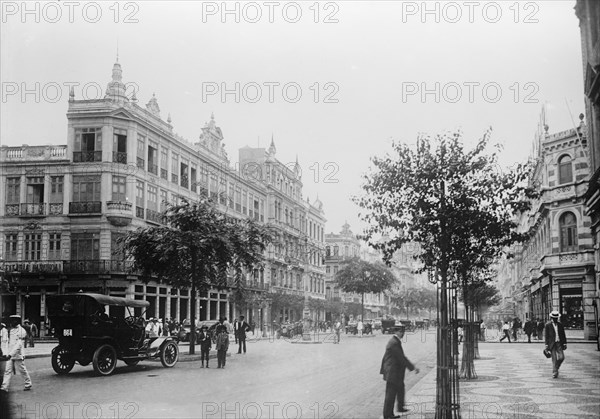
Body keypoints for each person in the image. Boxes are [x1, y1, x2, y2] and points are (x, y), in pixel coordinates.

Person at [380, 325, 419, 418]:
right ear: (397, 332)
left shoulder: (395, 341)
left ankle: (400, 407)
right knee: (390, 394)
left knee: (400, 388)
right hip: (392, 372)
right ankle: (388, 415)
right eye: (401, 332)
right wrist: (413, 367)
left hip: (395, 372)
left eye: (403, 332)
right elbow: (402, 358)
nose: (403, 334)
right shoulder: (394, 343)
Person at [1, 315, 32, 392]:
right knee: (7, 370)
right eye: (11, 320)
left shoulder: (22, 331)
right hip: (9, 354)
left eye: (14, 320)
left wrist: (10, 354)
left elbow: (18, 345)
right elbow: (5, 342)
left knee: (22, 370)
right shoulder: (8, 330)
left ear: (18, 321)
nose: (12, 322)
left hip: (18, 354)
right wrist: (5, 353)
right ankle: (4, 387)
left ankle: (28, 383)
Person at [545, 310, 567, 378]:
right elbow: (546, 335)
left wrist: (564, 343)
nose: (555, 319)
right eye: (554, 318)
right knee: (554, 358)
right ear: (551, 318)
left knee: (561, 357)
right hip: (552, 344)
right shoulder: (548, 325)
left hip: (559, 343)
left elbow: (563, 334)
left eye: (556, 318)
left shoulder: (560, 325)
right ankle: (555, 372)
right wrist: (546, 345)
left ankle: (556, 367)